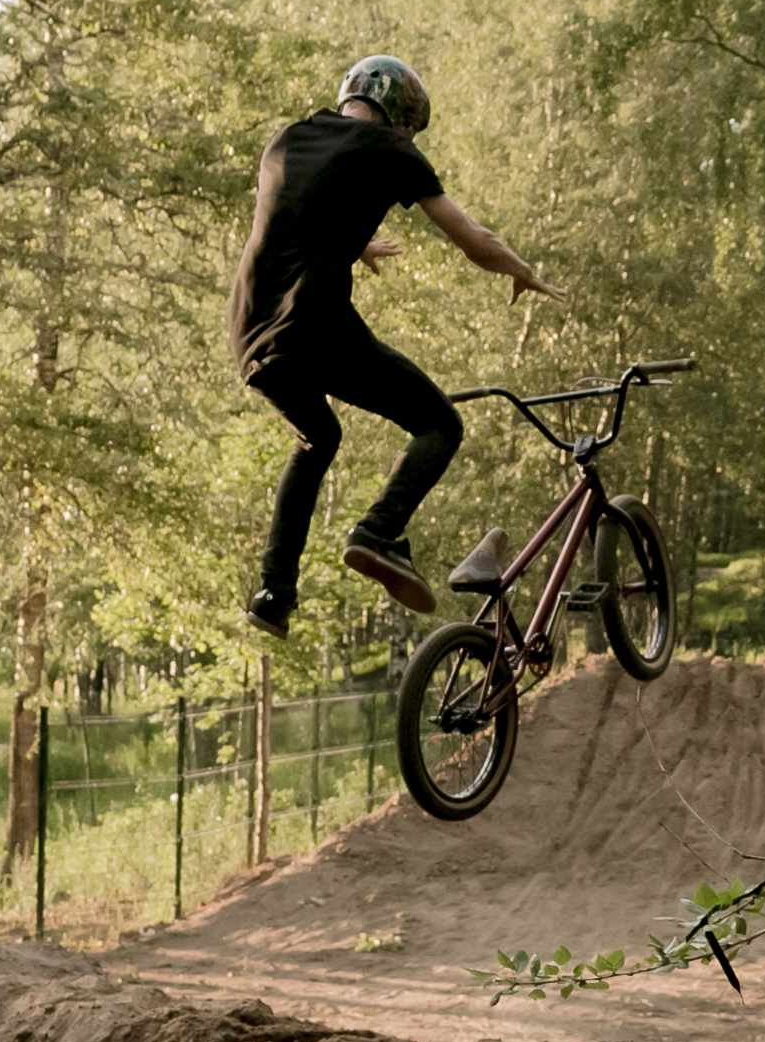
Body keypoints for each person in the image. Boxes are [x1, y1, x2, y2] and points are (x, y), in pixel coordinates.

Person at [230, 55, 564, 640]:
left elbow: (296, 211)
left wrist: (354, 245)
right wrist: (521, 270)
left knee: (318, 438)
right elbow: (471, 239)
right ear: (401, 116)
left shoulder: (289, 137)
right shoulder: (388, 150)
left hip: (252, 332)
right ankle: (378, 533)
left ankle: (273, 592)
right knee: (439, 423)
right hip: (316, 327)